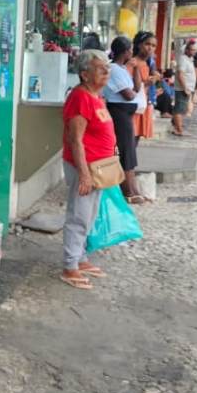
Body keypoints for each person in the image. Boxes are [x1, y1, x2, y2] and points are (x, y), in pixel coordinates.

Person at [59, 49, 118, 290]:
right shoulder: (80, 97)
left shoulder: (95, 96)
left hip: (99, 167)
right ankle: (69, 266)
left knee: (89, 215)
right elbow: (75, 140)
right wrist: (84, 173)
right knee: (79, 216)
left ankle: (80, 258)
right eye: (100, 68)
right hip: (85, 166)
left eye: (107, 67)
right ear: (84, 74)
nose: (107, 71)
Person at [104, 36, 145, 203]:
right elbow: (129, 95)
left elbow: (136, 87)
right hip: (118, 113)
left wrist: (136, 68)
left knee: (129, 151)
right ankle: (128, 192)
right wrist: (134, 94)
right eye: (131, 50)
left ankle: (133, 189)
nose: (132, 53)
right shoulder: (113, 69)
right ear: (126, 51)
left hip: (126, 114)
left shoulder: (122, 69)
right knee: (125, 152)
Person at [129, 31, 159, 140]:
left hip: (144, 103)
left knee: (136, 137)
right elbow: (126, 85)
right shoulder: (132, 62)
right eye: (147, 44)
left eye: (153, 46)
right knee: (129, 138)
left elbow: (154, 75)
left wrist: (154, 78)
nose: (150, 48)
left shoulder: (149, 62)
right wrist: (145, 84)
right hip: (133, 104)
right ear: (139, 45)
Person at [175, 41, 197, 121]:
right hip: (182, 89)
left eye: (195, 50)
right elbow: (180, 75)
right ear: (186, 50)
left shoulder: (189, 59)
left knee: (182, 109)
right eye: (192, 50)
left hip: (187, 89)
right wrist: (185, 88)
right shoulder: (183, 59)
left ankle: (176, 124)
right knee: (180, 110)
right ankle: (178, 127)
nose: (194, 52)